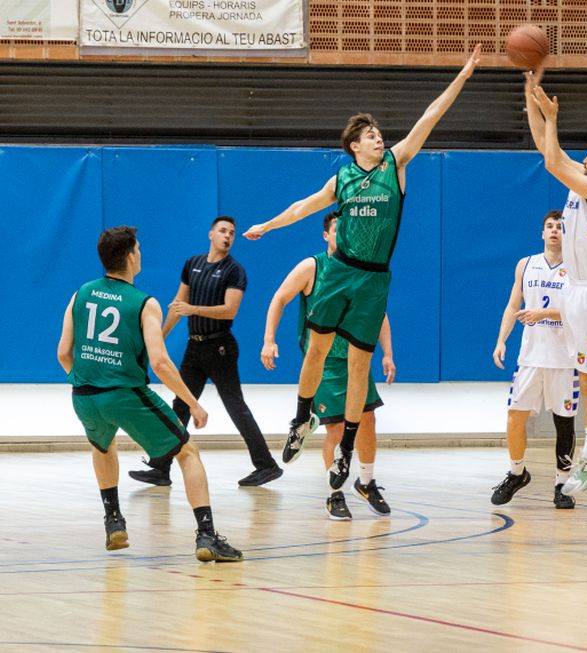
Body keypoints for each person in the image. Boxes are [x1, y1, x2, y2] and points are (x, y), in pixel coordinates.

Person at [244, 46, 480, 491]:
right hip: (340, 272)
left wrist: (464, 74)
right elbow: (303, 206)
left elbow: (430, 116)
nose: (379, 139)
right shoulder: (343, 179)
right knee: (317, 350)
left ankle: (348, 453)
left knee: (358, 367)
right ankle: (300, 419)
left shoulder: (397, 164)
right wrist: (268, 226)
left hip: (374, 278)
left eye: (379, 133)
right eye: (370, 135)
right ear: (354, 146)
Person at [56, 226, 242, 562]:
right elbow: (160, 362)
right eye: (138, 248)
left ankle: (114, 521)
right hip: (125, 394)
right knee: (188, 452)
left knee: (103, 445)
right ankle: (207, 536)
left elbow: (64, 352)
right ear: (129, 256)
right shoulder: (145, 303)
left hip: (83, 396)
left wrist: (83, 380)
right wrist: (193, 403)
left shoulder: (79, 294)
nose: (140, 253)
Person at [525, 72, 587, 496]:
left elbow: (551, 160)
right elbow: (544, 149)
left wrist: (553, 116)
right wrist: (530, 95)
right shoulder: (580, 186)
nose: (582, 157)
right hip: (578, 293)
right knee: (585, 375)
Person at [261, 211, 395, 520]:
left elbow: (379, 314)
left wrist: (388, 353)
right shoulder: (312, 266)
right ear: (326, 235)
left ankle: (366, 481)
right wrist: (269, 339)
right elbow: (279, 298)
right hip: (325, 363)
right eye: (337, 229)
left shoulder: (361, 270)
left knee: (368, 421)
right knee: (335, 427)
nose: (342, 234)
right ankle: (334, 494)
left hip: (356, 359)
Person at [129, 216, 280, 488]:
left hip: (220, 346)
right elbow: (179, 304)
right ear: (211, 234)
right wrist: (159, 338)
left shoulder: (235, 270)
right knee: (181, 405)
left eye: (232, 233)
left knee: (235, 406)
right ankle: (161, 468)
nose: (228, 236)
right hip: (194, 346)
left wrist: (193, 310)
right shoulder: (193, 264)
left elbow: (229, 309)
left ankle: (266, 465)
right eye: (223, 231)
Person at [490, 210, 578, 510]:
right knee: (515, 415)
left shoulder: (578, 269)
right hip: (530, 356)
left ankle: (562, 485)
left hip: (565, 358)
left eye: (560, 227)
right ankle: (517, 473)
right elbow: (514, 304)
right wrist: (501, 340)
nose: (555, 230)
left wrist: (544, 314)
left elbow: (581, 314)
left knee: (563, 422)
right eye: (550, 226)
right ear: (542, 233)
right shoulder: (526, 265)